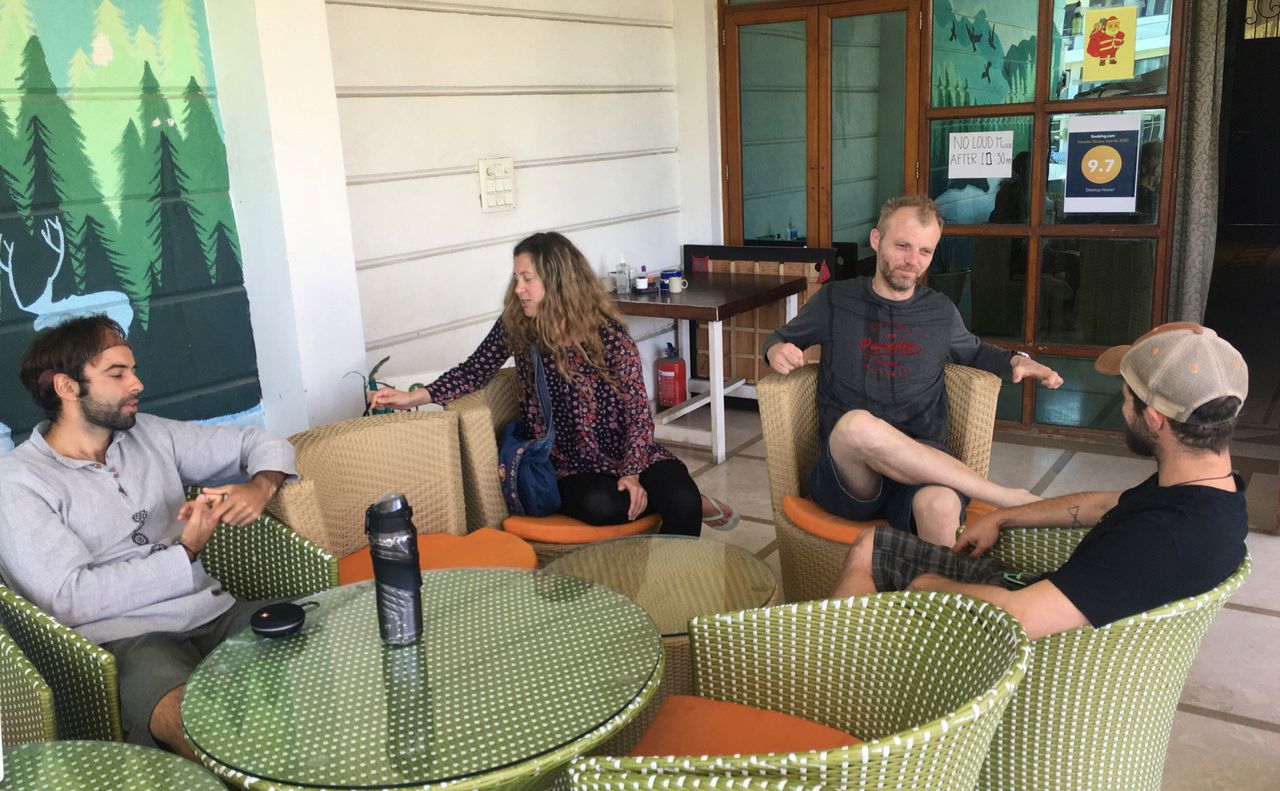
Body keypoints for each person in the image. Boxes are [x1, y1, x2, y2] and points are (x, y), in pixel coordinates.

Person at [832, 322, 1249, 641]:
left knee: (880, 562)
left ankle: (846, 687)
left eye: (1124, 399)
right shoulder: (1207, 493)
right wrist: (1005, 516)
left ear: (1155, 419)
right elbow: (1103, 505)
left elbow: (1021, 617)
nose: (1122, 407)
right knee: (874, 543)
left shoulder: (1160, 540)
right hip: (1049, 598)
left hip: (1021, 642)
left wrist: (928, 586)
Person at [0, 315, 296, 756]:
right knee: (196, 727)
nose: (136, 383)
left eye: (133, 370)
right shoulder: (19, 481)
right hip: (126, 642)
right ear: (66, 387)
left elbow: (260, 441)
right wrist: (186, 551)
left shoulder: (149, 434)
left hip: (213, 613)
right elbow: (66, 597)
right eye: (117, 374)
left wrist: (261, 486)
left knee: (322, 646)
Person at [367, 231, 734, 534]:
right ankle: (652, 514)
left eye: (528, 279)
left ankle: (677, 590)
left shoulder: (609, 336)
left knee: (684, 501)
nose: (519, 289)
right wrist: (414, 396)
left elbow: (639, 413)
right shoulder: (518, 325)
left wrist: (633, 472)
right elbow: (475, 369)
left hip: (625, 451)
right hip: (564, 461)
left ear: (558, 281)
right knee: (604, 506)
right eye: (517, 279)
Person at [764, 194, 1065, 546]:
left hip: (923, 461)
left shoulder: (940, 310)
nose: (913, 261)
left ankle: (939, 599)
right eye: (903, 246)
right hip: (853, 478)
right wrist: (775, 350)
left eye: (925, 251)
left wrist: (1017, 360)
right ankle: (1004, 496)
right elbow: (781, 337)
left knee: (939, 505)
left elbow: (975, 350)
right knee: (857, 425)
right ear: (877, 240)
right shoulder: (836, 300)